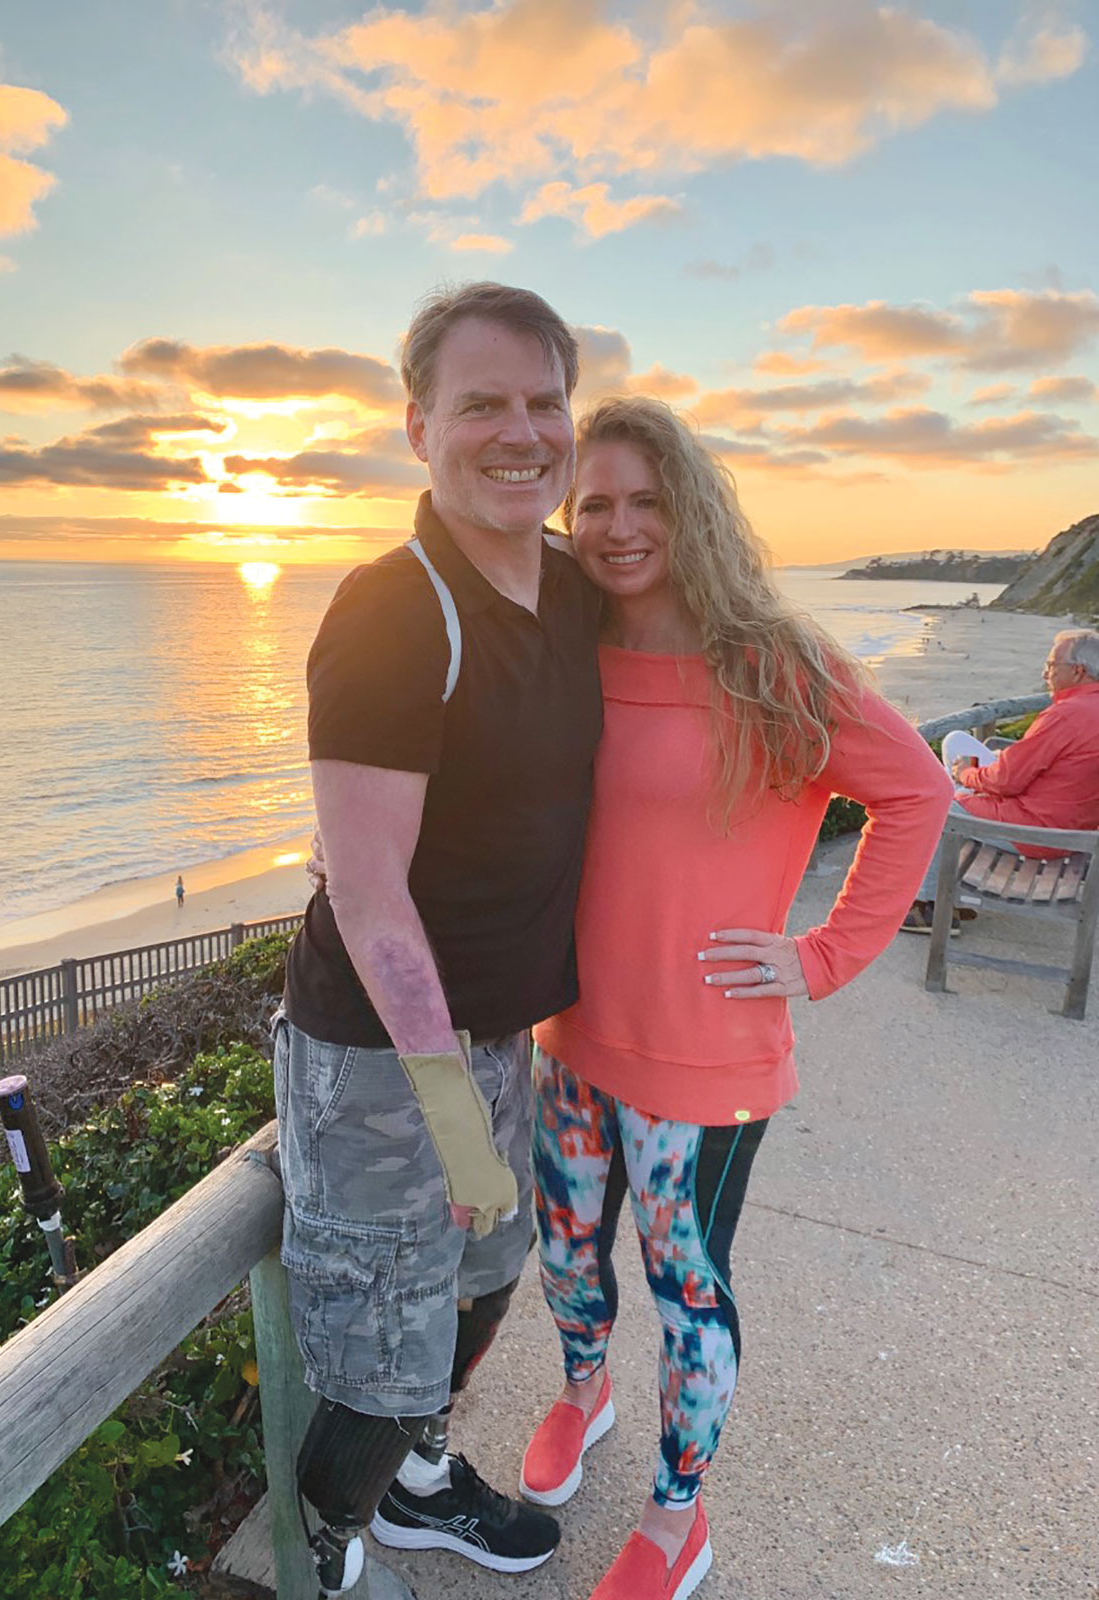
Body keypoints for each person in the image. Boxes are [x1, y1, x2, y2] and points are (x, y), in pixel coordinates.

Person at [517, 398, 952, 1600]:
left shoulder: (773, 664)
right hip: (570, 1033)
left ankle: (677, 1515)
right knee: (563, 1255)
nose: (616, 525)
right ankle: (582, 1390)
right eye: (592, 503)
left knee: (687, 1286)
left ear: (691, 506)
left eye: (645, 499)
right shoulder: (566, 650)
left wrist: (818, 956)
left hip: (705, 1063)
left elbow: (917, 793)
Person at [274, 283, 602, 1595]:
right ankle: (325, 1541)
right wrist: (451, 1114)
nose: (520, 432)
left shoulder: (572, 588)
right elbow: (366, 896)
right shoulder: (394, 611)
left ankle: (414, 1477)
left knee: (485, 1268)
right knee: (377, 1338)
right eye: (483, 405)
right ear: (419, 425)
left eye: (543, 403)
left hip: (497, 1031)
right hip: (378, 1057)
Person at [902, 628, 1099, 932]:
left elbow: (1008, 781)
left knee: (936, 806)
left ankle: (930, 908)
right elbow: (1027, 768)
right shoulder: (1087, 708)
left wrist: (966, 774)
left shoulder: (1067, 715)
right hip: (1071, 824)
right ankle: (960, 813)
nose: (1045, 673)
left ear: (1077, 671)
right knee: (956, 742)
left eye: (1051, 666)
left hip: (1039, 830)